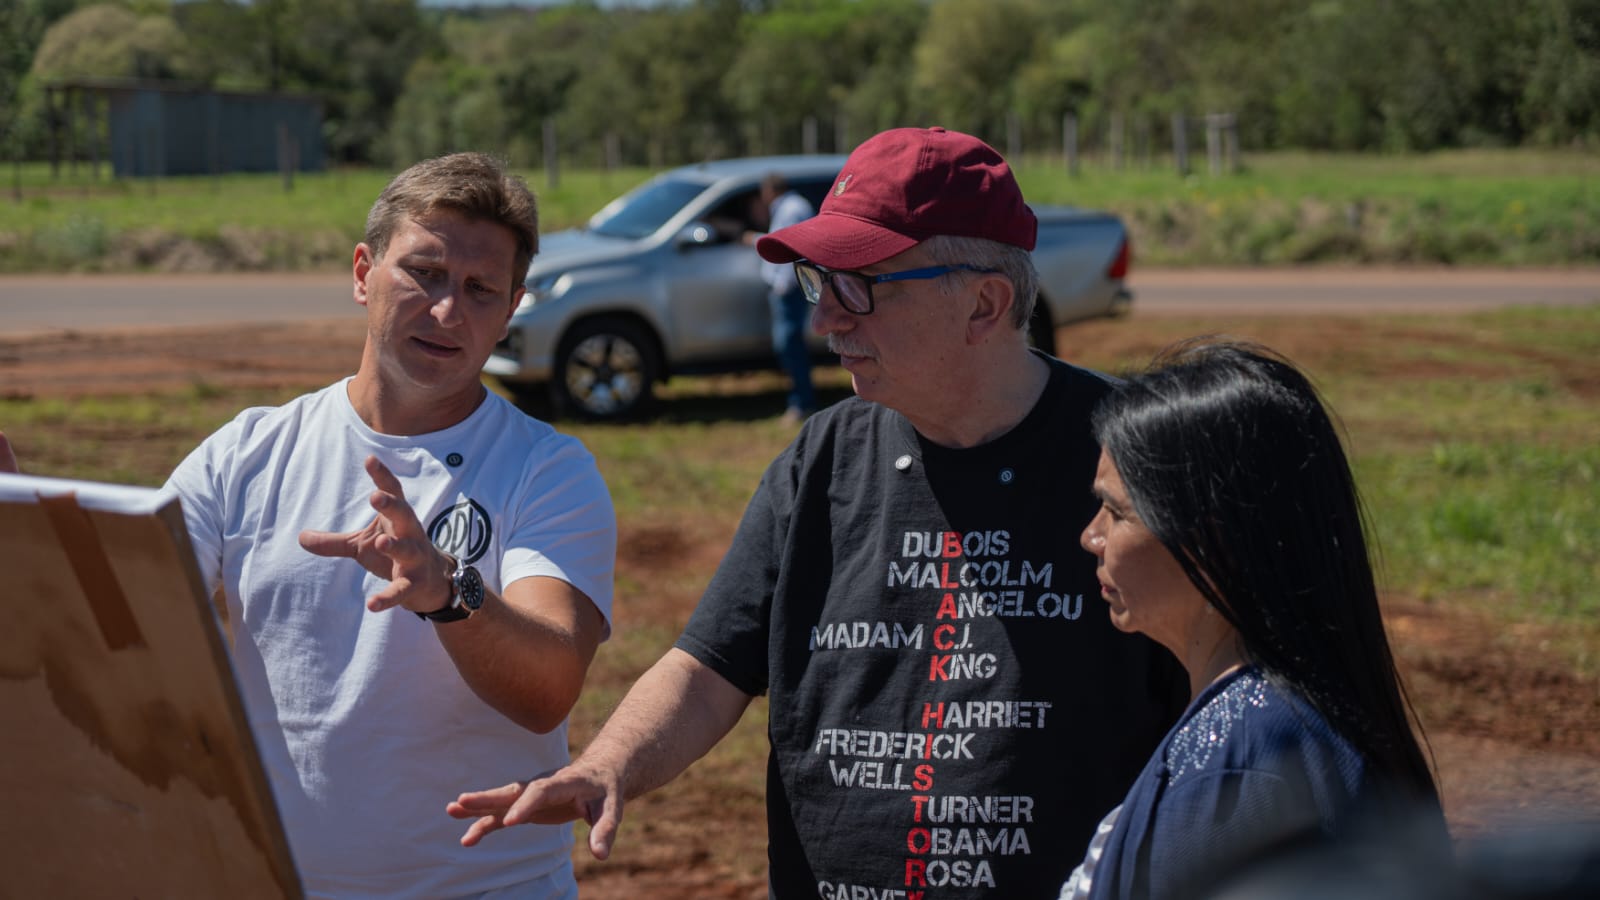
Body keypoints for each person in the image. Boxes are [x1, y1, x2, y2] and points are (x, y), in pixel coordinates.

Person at [450, 126, 1187, 897]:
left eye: (861, 285)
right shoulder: (823, 458)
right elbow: (708, 670)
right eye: (820, 281)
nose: (827, 319)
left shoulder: (1137, 457)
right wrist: (609, 767)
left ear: (984, 302)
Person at [2, 153, 617, 899]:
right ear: (363, 273)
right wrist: (21, 533)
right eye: (423, 272)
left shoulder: (548, 470)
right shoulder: (248, 452)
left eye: (480, 290)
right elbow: (121, 629)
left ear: (512, 306)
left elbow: (548, 687)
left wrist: (447, 590)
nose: (449, 310)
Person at [1062, 338, 1448, 899]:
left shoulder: (1250, 766)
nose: (1090, 536)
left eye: (1116, 511)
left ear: (1213, 536)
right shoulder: (1264, 727)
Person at [746, 172, 818, 424]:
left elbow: (789, 249)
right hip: (789, 287)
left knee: (789, 343)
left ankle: (802, 402)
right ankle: (800, 400)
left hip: (788, 289)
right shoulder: (792, 206)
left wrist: (783, 286)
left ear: (768, 191)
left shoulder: (789, 209)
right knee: (788, 343)